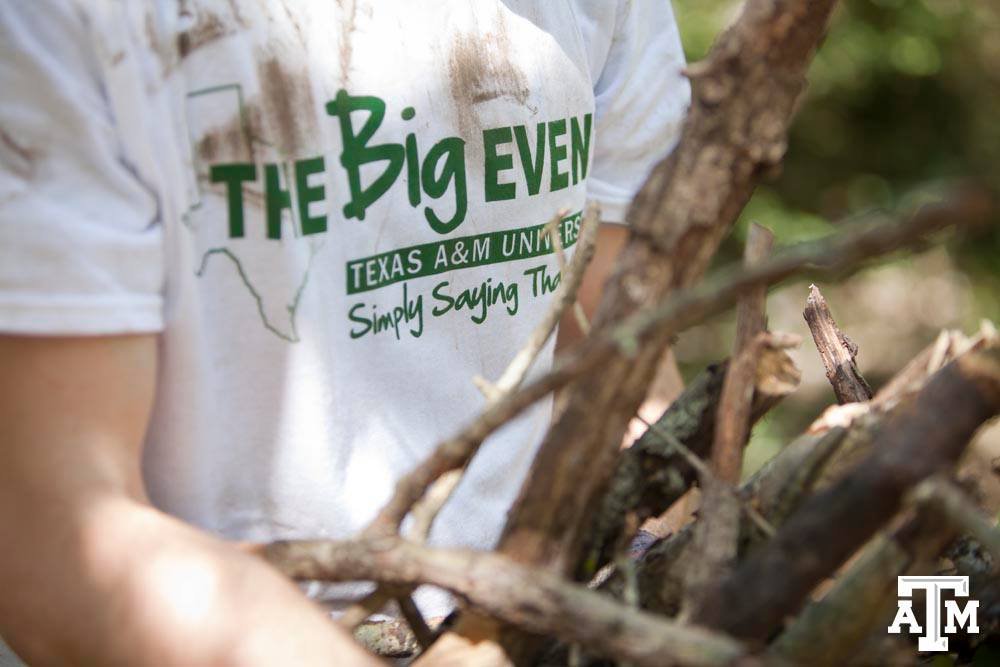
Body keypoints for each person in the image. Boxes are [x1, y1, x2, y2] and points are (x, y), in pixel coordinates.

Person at [0, 1, 689, 663]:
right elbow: (51, 538)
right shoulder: (62, 18)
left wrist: (658, 557)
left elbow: (617, 355)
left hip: (533, 615)